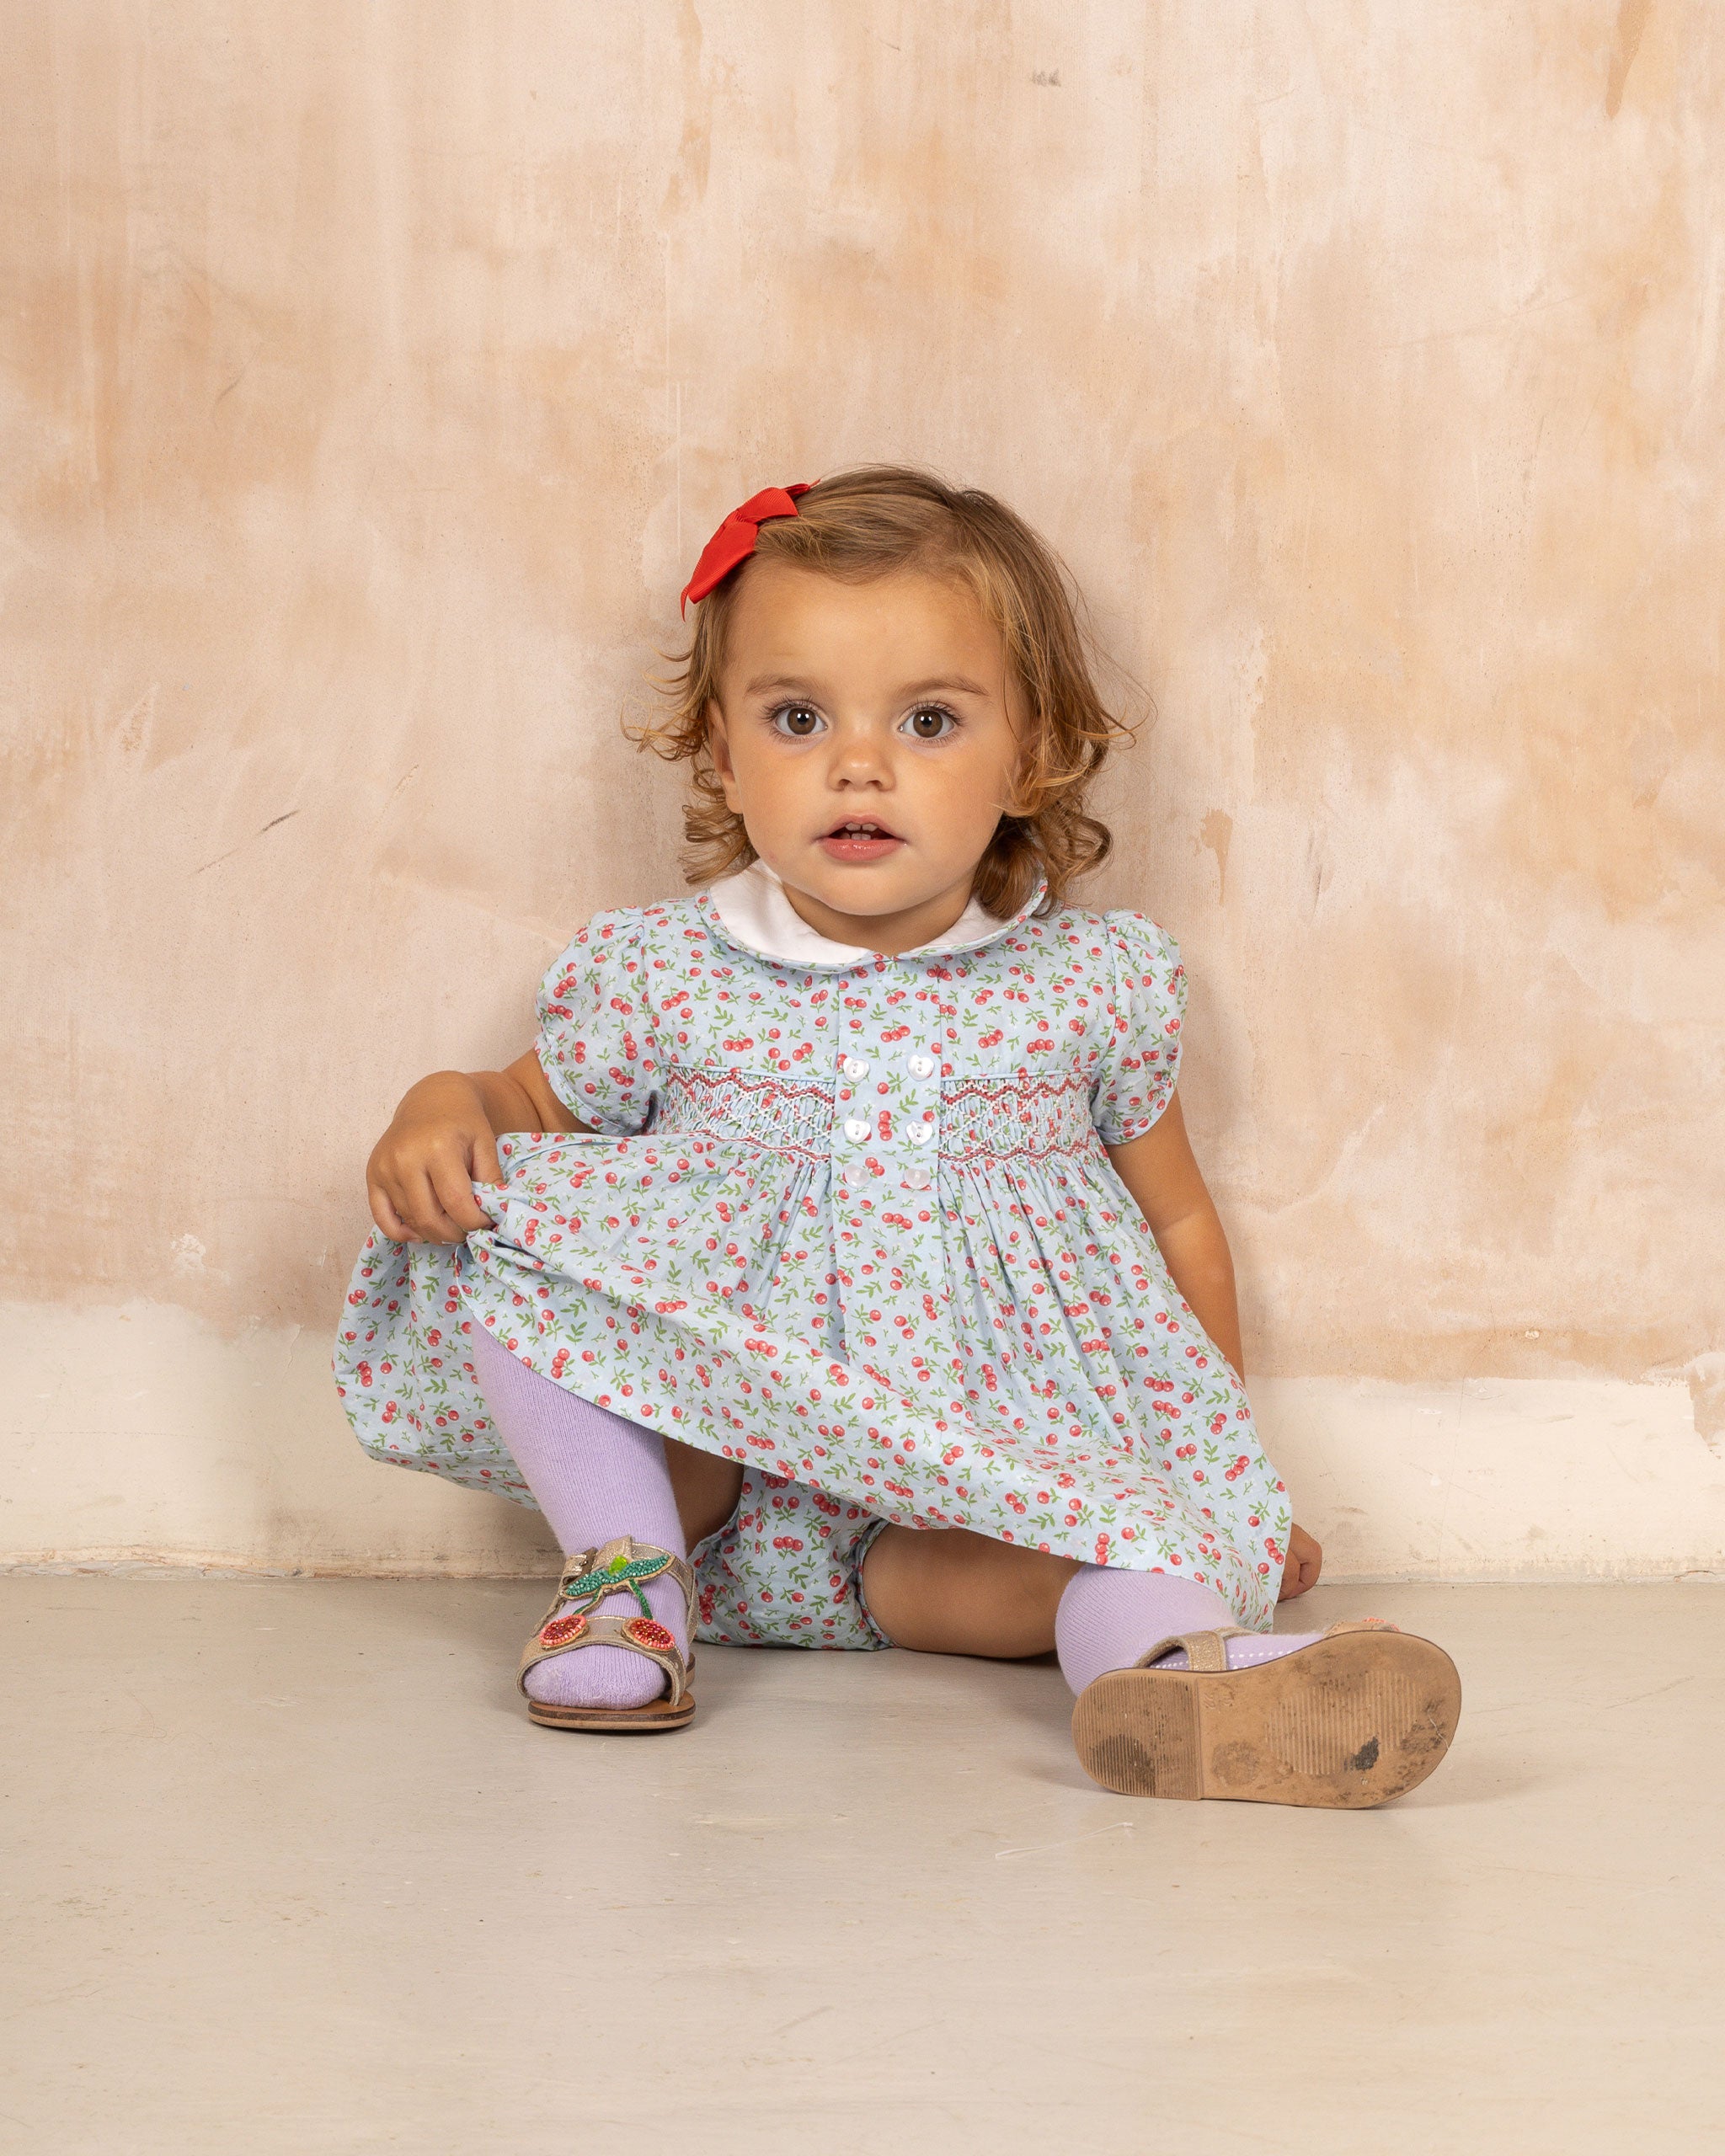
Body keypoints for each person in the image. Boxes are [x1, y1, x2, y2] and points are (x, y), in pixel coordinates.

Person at [334, 466, 1461, 1807]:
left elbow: (1176, 1225)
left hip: (952, 1526)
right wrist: (443, 1107)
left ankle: (1184, 1680)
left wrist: (1218, 1486)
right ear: (721, 752)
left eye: (928, 720)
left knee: (1134, 1550)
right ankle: (623, 1583)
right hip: (720, 1489)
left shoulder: (1090, 986)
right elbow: (521, 1106)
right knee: (505, 1222)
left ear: (1030, 753)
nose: (858, 764)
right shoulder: (667, 975)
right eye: (799, 717)